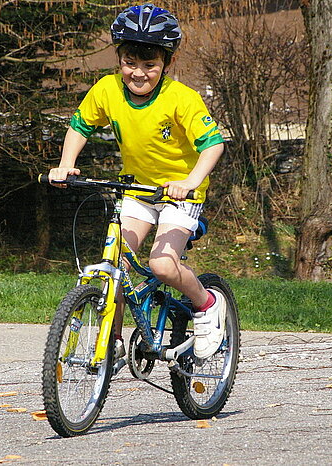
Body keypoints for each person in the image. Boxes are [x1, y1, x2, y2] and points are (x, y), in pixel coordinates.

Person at [48, 3, 226, 360]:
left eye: (150, 65)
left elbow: (213, 145)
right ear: (119, 59)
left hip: (179, 194)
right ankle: (111, 343)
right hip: (138, 190)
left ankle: (207, 305)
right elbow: (79, 126)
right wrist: (66, 164)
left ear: (166, 64)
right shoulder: (107, 90)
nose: (138, 73)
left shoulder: (181, 99)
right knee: (116, 265)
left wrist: (189, 182)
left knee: (162, 265)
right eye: (130, 63)